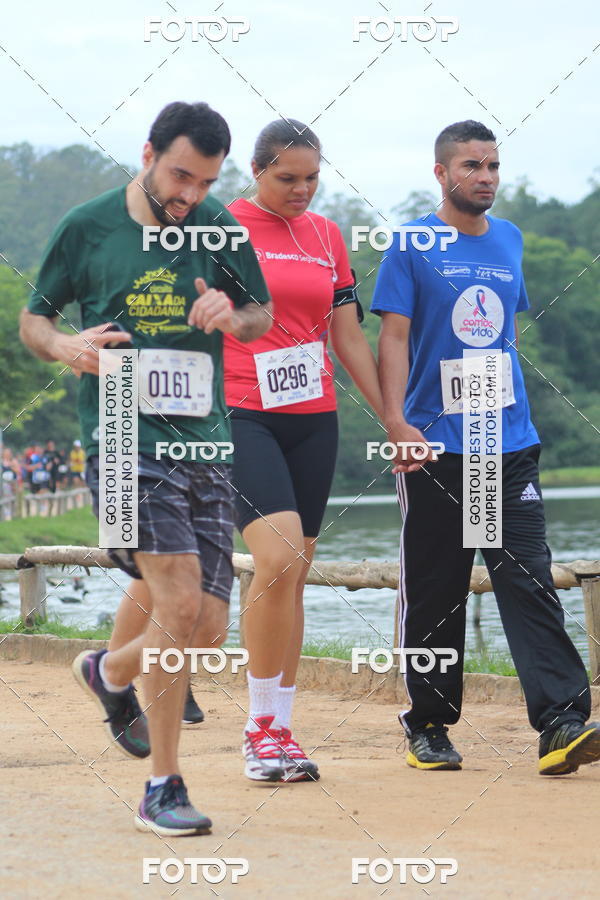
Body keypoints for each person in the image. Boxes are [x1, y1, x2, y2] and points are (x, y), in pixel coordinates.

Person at [20, 100, 272, 835]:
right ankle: (164, 787)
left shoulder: (218, 226)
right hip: (124, 439)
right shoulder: (89, 226)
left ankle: (111, 671)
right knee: (180, 604)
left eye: (204, 182)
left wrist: (233, 312)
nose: (189, 195)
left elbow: (259, 315)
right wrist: (65, 347)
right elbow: (36, 317)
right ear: (148, 153)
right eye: (180, 176)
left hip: (206, 440)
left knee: (209, 625)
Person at [372, 119, 600, 774]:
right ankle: (429, 725)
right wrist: (395, 422)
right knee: (439, 591)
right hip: (438, 449)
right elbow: (393, 337)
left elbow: (506, 334)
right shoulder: (413, 243)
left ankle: (561, 722)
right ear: (441, 173)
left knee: (528, 581)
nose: (487, 177)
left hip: (508, 441)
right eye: (472, 165)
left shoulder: (510, 239)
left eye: (493, 166)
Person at [222, 119, 384, 782]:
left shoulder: (326, 235)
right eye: (287, 178)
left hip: (313, 418)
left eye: (312, 177)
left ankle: (282, 728)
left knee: (292, 576)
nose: (302, 189)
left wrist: (392, 420)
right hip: (239, 410)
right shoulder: (219, 227)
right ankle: (258, 730)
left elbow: (347, 339)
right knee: (278, 557)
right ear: (256, 171)